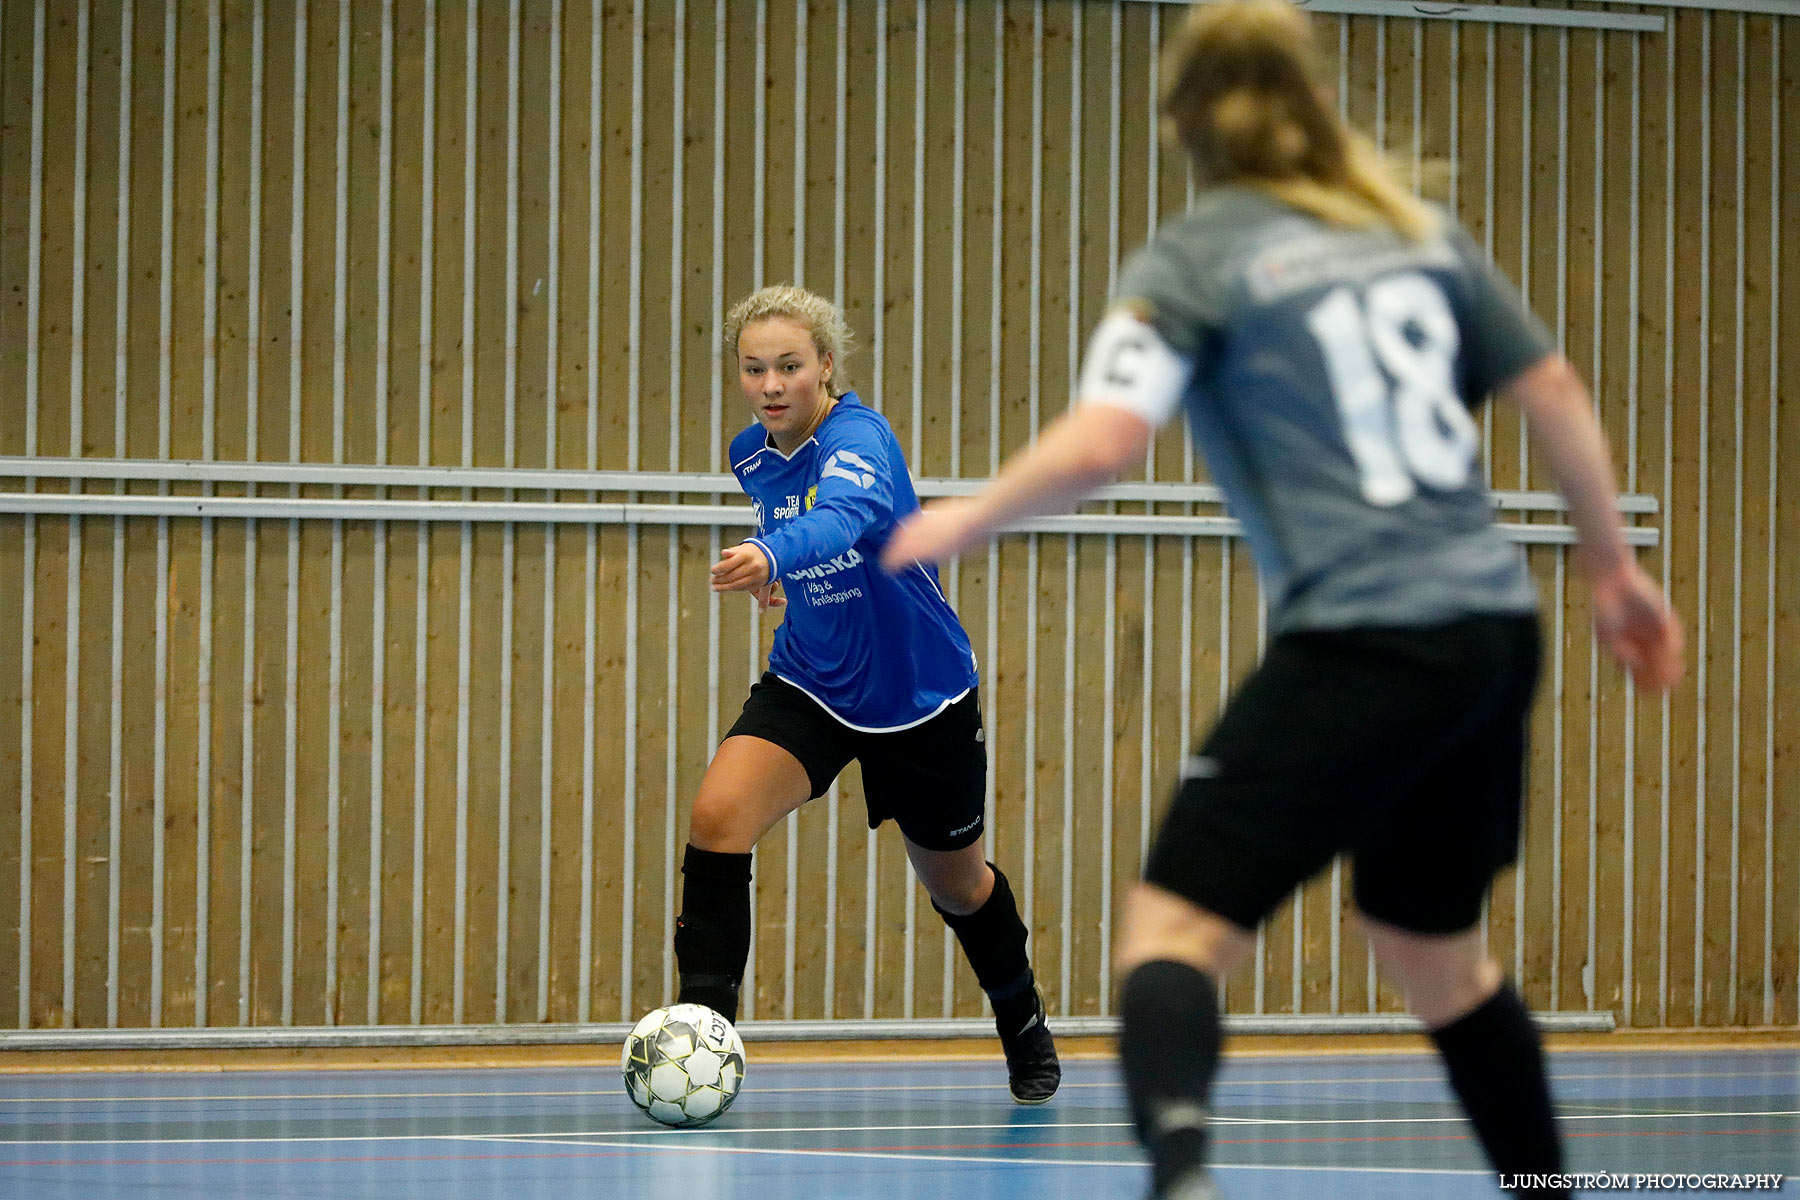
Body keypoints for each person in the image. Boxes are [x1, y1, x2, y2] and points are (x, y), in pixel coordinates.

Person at [881, 1, 1683, 1194]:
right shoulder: (1415, 233)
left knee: (1174, 935)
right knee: (1436, 958)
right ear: (1315, 98)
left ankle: (1184, 1175)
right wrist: (1613, 568)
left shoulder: (1196, 257)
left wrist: (963, 517)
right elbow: (1552, 385)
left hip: (1364, 636)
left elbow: (1107, 439)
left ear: (1184, 122)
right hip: (1490, 638)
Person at [672, 284, 1060, 1104]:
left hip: (918, 695)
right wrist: (782, 581)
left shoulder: (861, 437)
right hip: (812, 678)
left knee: (958, 885)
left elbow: (844, 517)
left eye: (788, 366)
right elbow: (815, 548)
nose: (771, 385)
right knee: (717, 818)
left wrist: (775, 556)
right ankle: (702, 1048)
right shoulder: (752, 453)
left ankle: (1022, 1021)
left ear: (825, 367)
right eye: (753, 368)